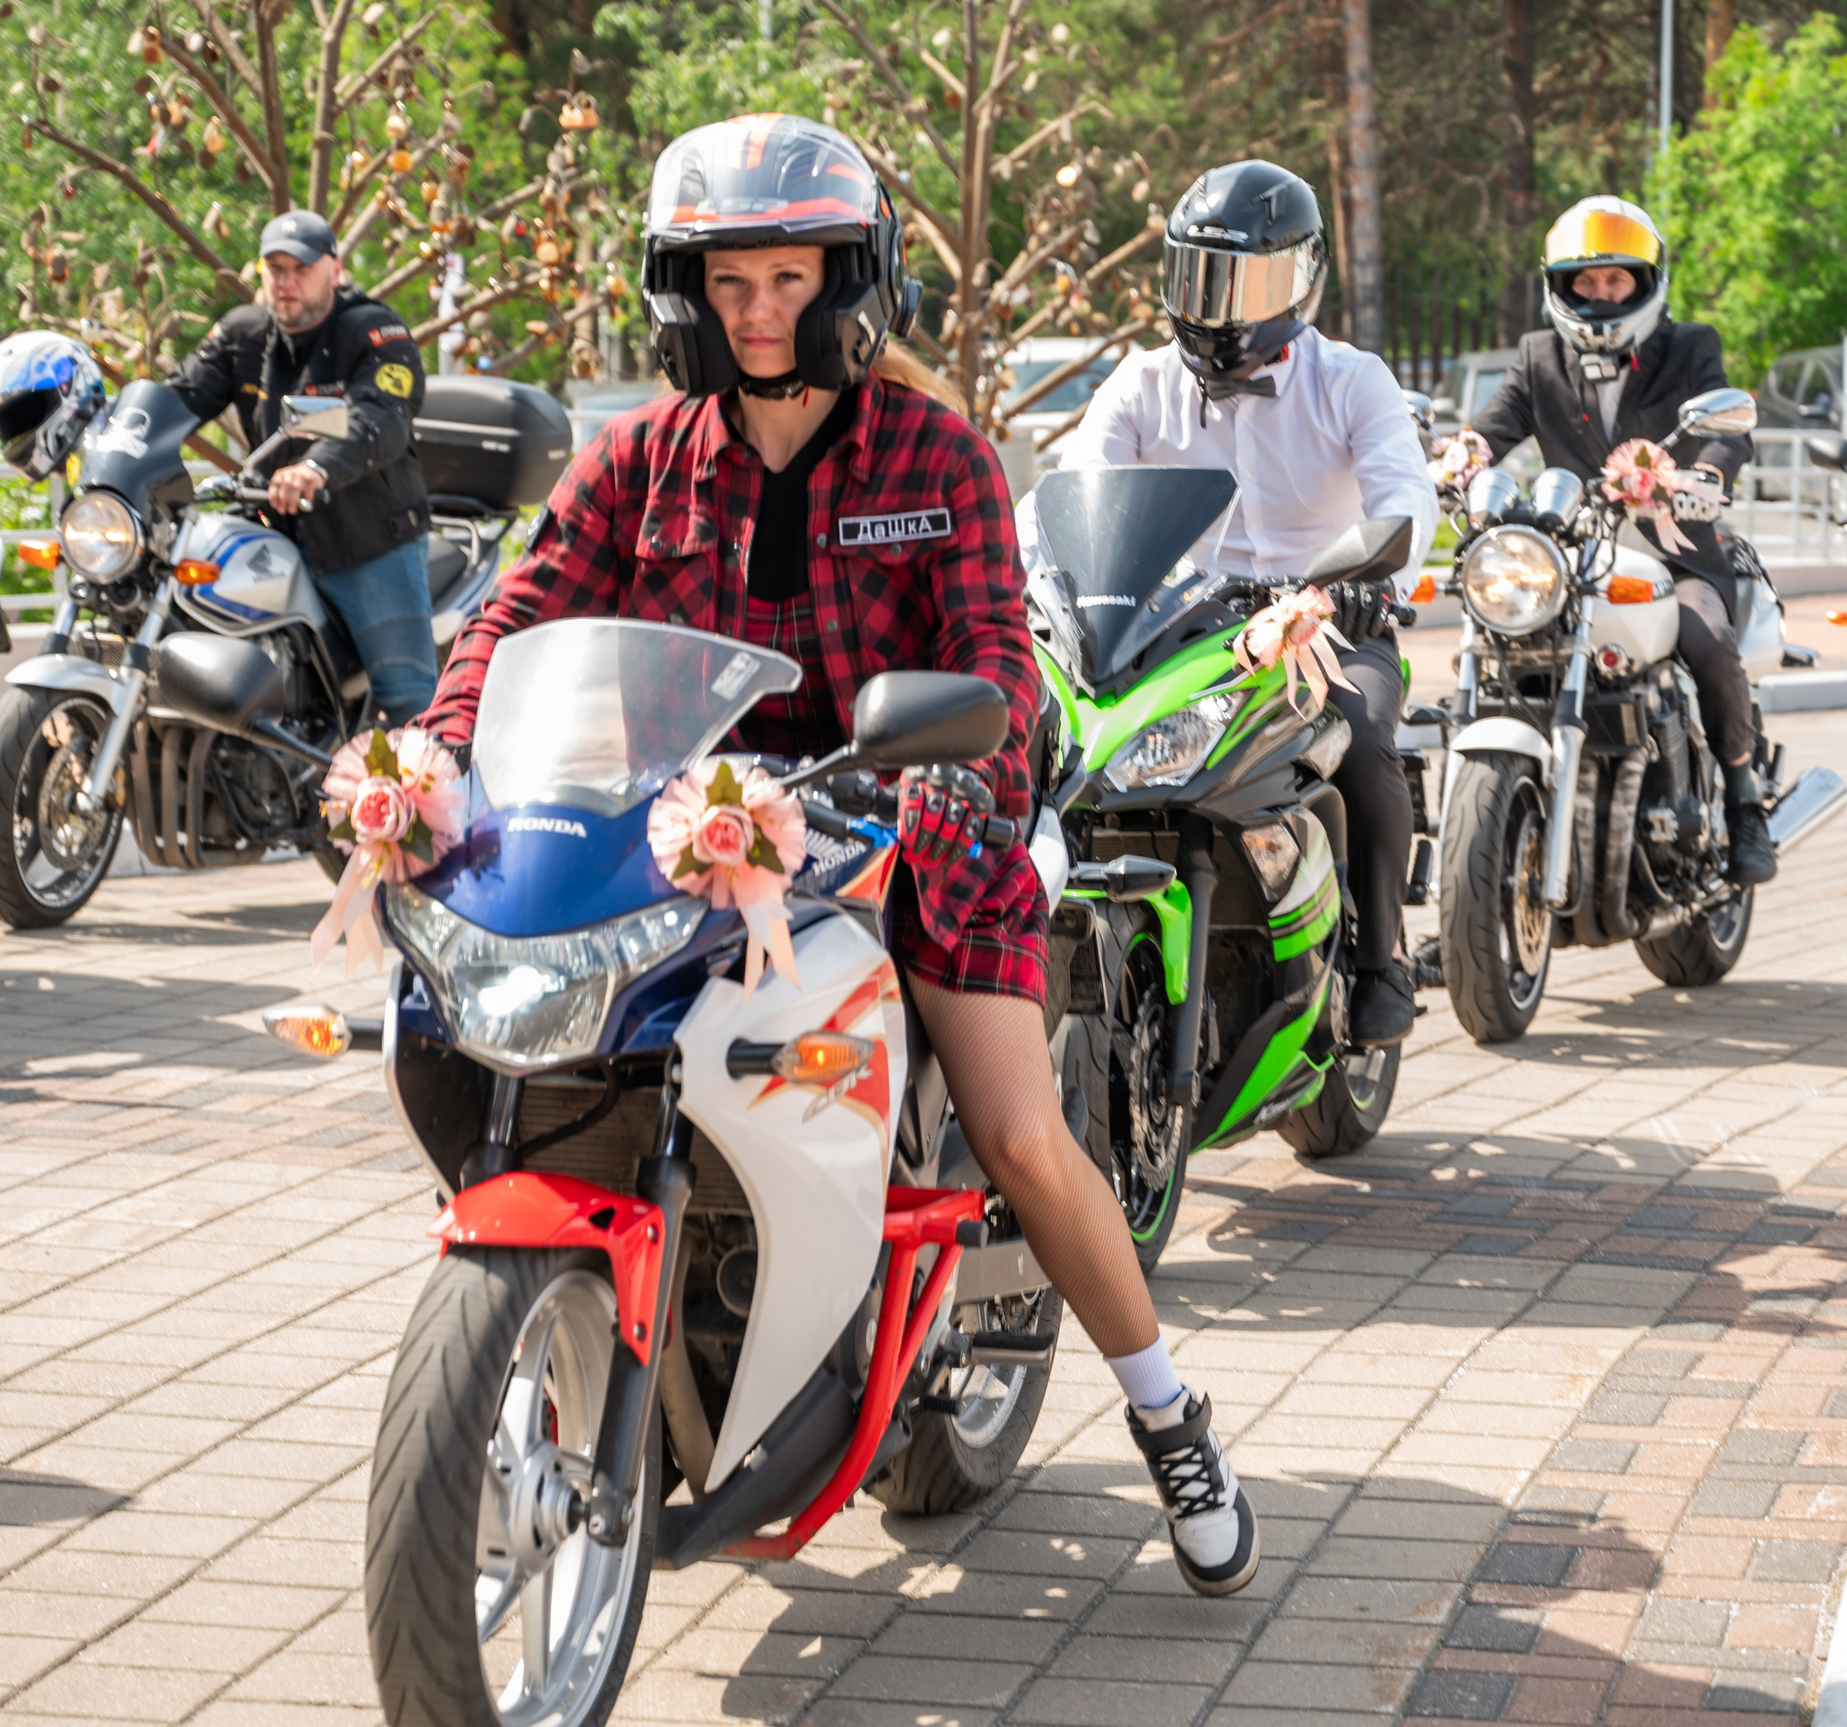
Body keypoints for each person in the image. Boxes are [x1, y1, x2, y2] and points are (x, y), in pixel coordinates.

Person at [414, 115, 1258, 1596]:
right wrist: (438, 746)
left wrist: (947, 780)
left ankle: (1167, 1413)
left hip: (912, 822)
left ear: (849, 281)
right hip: (686, 837)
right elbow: (519, 614)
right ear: (685, 293)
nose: (758, 312)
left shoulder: (941, 453)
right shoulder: (637, 461)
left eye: (789, 278)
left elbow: (992, 660)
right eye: (728, 282)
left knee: (1017, 1135)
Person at [1053, 158, 1439, 1045]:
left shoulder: (1353, 379)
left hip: (1331, 626)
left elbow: (1405, 497)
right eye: (1201, 278)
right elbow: (1075, 492)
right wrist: (1043, 576)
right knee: (1078, 755)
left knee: (1363, 739)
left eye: (1246, 283)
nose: (1219, 307)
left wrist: (1369, 581)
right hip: (1182, 634)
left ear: (1303, 278)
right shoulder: (1139, 384)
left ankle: (1382, 957)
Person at [1470, 196, 1776, 885]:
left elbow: (1729, 432)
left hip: (1675, 553)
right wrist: (1454, 459)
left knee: (1707, 642)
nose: (1601, 294)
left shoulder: (1689, 346)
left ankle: (1743, 797)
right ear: (1561, 286)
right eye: (1586, 280)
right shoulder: (1539, 355)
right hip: (1571, 560)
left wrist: (1704, 475)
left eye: (1616, 279)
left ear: (1645, 282)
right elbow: (1491, 429)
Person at [166, 212, 439, 723]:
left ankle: (441, 773)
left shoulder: (375, 331)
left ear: (334, 270)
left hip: (365, 541)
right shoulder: (243, 334)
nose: (286, 281)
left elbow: (380, 415)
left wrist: (315, 467)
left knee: (409, 701)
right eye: (275, 268)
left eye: (302, 268)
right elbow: (176, 398)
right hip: (275, 534)